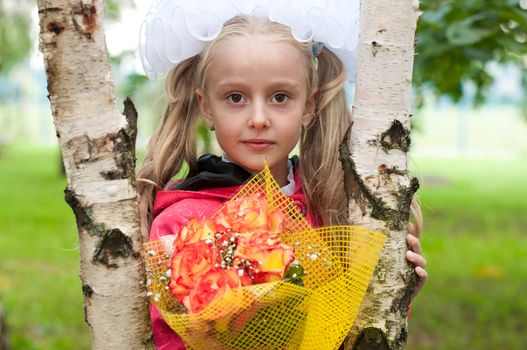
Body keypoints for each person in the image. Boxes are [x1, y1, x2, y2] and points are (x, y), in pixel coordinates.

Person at [137, 1, 427, 349]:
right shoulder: (182, 222)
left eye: (279, 97)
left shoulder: (336, 208)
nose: (259, 118)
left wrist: (397, 291)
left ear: (308, 106)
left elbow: (365, 324)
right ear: (205, 106)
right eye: (235, 97)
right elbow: (172, 337)